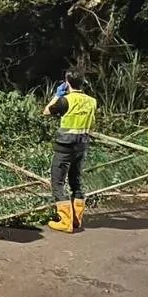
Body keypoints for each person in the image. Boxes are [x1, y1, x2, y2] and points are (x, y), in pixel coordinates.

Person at [42, 70, 98, 233]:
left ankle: (64, 221)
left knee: (58, 182)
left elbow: (46, 111)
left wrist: (57, 95)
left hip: (65, 146)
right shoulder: (92, 101)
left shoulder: (65, 100)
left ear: (67, 82)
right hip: (82, 145)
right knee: (76, 181)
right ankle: (76, 219)